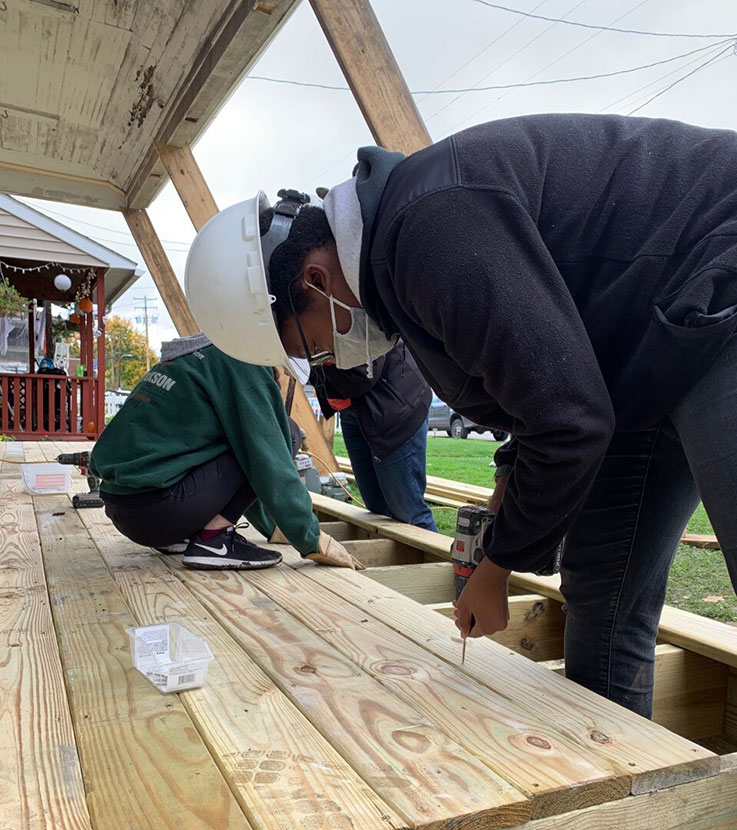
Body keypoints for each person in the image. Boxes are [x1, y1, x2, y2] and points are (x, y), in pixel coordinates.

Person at [183, 115, 737, 718]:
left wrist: (497, 568)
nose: (321, 357)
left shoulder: (426, 231)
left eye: (304, 343)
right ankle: (621, 777)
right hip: (641, 360)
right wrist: (503, 496)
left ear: (314, 282)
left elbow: (569, 423)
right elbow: (536, 387)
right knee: (604, 595)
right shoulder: (397, 266)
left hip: (716, 285)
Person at [89, 332, 362, 572]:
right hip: (160, 511)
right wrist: (312, 539)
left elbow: (241, 471)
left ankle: (192, 534)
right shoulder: (245, 364)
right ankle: (212, 540)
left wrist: (275, 527)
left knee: (244, 437)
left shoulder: (199, 354)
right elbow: (269, 462)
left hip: (122, 507)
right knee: (286, 432)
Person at [311, 340, 437, 530]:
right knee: (376, 507)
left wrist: (310, 370)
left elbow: (363, 374)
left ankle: (438, 560)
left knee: (409, 512)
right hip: (356, 408)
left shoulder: (362, 313)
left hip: (394, 409)